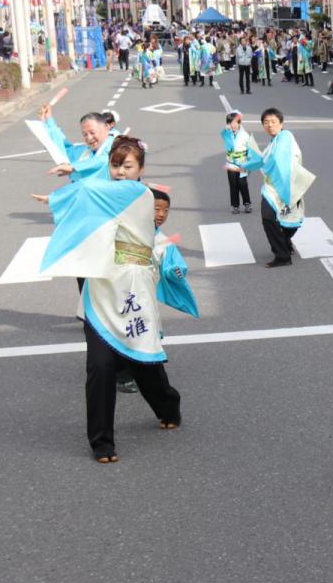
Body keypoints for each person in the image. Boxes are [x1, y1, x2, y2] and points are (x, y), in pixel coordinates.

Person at [39, 137, 189, 463]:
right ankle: (102, 442)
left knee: (141, 359)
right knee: (100, 366)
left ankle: (167, 404)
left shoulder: (139, 194)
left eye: (127, 165)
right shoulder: (103, 194)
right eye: (115, 164)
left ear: (141, 170)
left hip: (133, 287)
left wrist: (59, 197)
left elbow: (89, 193)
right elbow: (83, 212)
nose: (120, 171)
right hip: (101, 288)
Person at [228, 108, 315, 268]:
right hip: (272, 188)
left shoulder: (285, 136)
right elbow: (263, 159)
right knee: (269, 217)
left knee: (290, 221)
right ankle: (282, 254)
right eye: (266, 123)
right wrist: (241, 166)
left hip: (288, 186)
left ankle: (285, 243)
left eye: (273, 122)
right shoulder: (273, 142)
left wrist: (250, 161)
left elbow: (272, 158)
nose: (270, 125)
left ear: (281, 123)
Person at [38, 105, 118, 183]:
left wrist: (74, 168)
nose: (89, 138)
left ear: (107, 127)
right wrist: (47, 121)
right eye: (85, 134)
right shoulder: (85, 151)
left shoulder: (117, 145)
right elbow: (63, 147)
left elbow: (107, 159)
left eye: (92, 132)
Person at [221, 110, 253, 214]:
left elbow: (250, 149)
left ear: (239, 123)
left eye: (235, 122)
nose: (233, 125)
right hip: (231, 163)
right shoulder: (227, 134)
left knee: (242, 183)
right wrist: (227, 130)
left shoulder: (245, 135)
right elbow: (223, 135)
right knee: (233, 184)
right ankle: (235, 205)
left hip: (243, 162)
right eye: (230, 123)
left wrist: (250, 162)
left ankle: (247, 203)